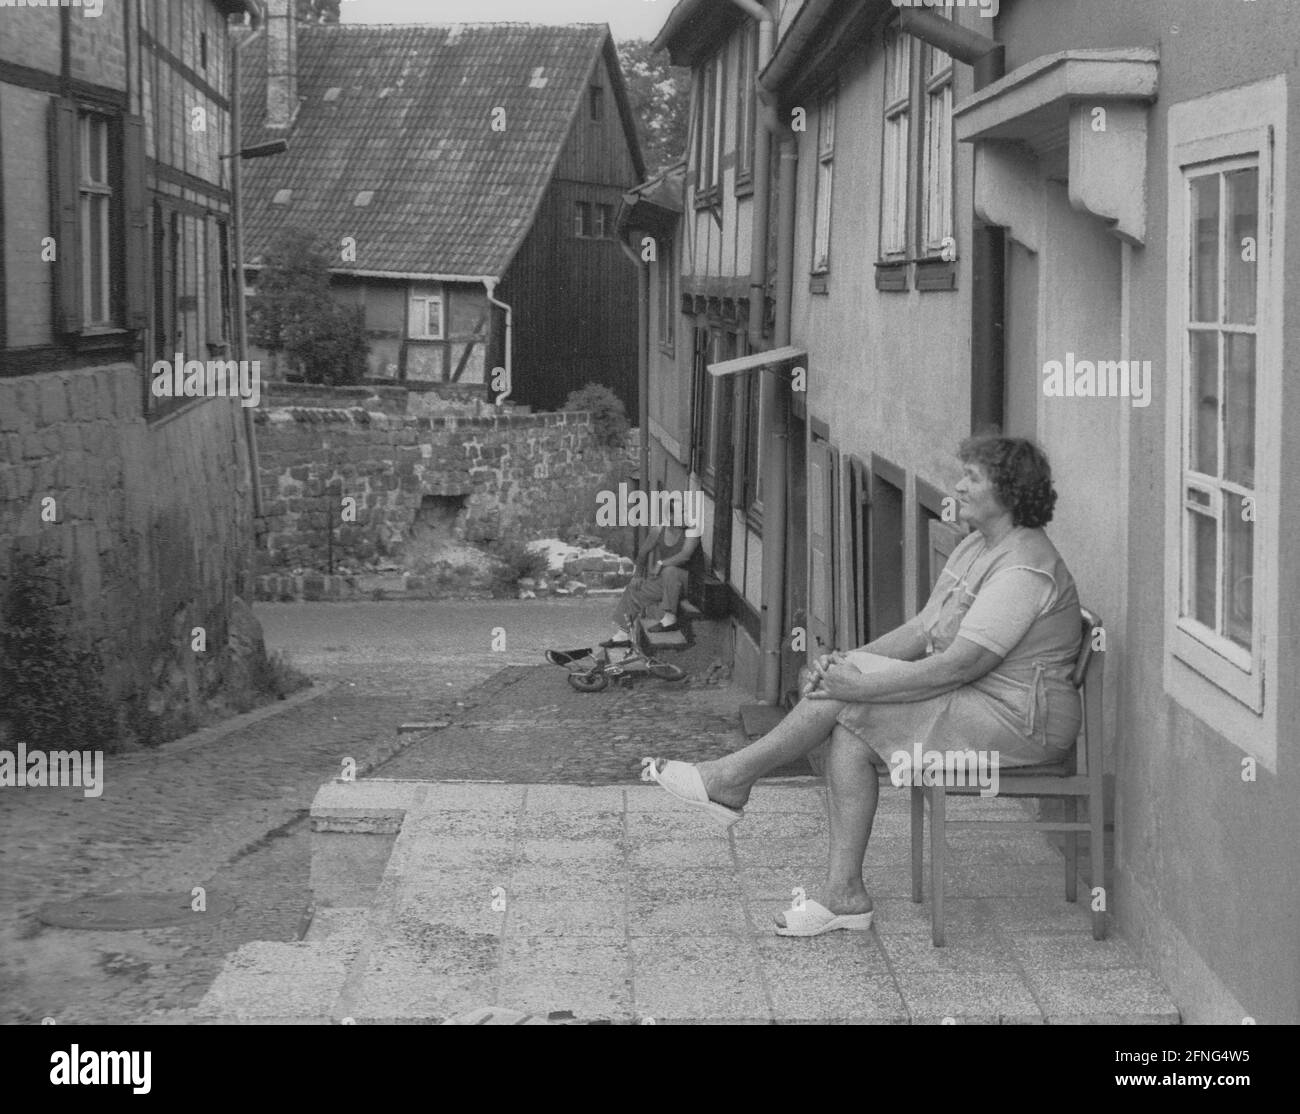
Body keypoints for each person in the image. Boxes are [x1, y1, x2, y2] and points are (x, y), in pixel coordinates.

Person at [641, 435, 1085, 936]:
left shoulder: (1024, 567)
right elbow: (922, 630)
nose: (957, 486)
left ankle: (734, 779)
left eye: (972, 478)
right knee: (849, 725)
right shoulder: (976, 544)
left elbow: (959, 665)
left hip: (1020, 720)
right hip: (979, 699)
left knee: (850, 704)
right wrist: (847, 663)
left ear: (1008, 493)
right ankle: (843, 893)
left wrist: (858, 687)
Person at [546, 522, 704, 666]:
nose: (685, 514)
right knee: (633, 590)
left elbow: (685, 555)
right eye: (680, 511)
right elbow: (642, 553)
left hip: (689, 582)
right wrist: (638, 576)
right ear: (670, 516)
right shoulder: (659, 530)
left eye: (684, 511)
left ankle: (669, 619)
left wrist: (661, 563)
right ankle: (621, 636)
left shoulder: (692, 530)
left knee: (670, 571)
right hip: (667, 580)